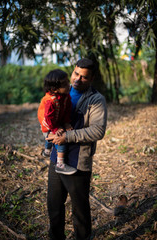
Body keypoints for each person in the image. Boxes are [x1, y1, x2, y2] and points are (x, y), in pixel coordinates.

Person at [46, 58, 107, 240]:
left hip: (79, 161)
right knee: (54, 205)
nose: (77, 80)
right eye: (76, 74)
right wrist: (47, 129)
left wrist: (67, 136)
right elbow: (48, 114)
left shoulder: (96, 99)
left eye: (84, 77)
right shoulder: (61, 90)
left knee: (79, 209)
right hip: (57, 156)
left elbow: (98, 130)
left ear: (92, 79)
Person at [38, 69, 77, 175]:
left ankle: (47, 150)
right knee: (60, 139)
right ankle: (60, 165)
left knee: (53, 137)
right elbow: (48, 118)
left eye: (67, 81)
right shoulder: (49, 101)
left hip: (57, 121)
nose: (68, 85)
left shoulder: (66, 96)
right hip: (48, 124)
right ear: (54, 89)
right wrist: (55, 129)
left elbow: (66, 111)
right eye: (64, 84)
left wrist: (66, 123)